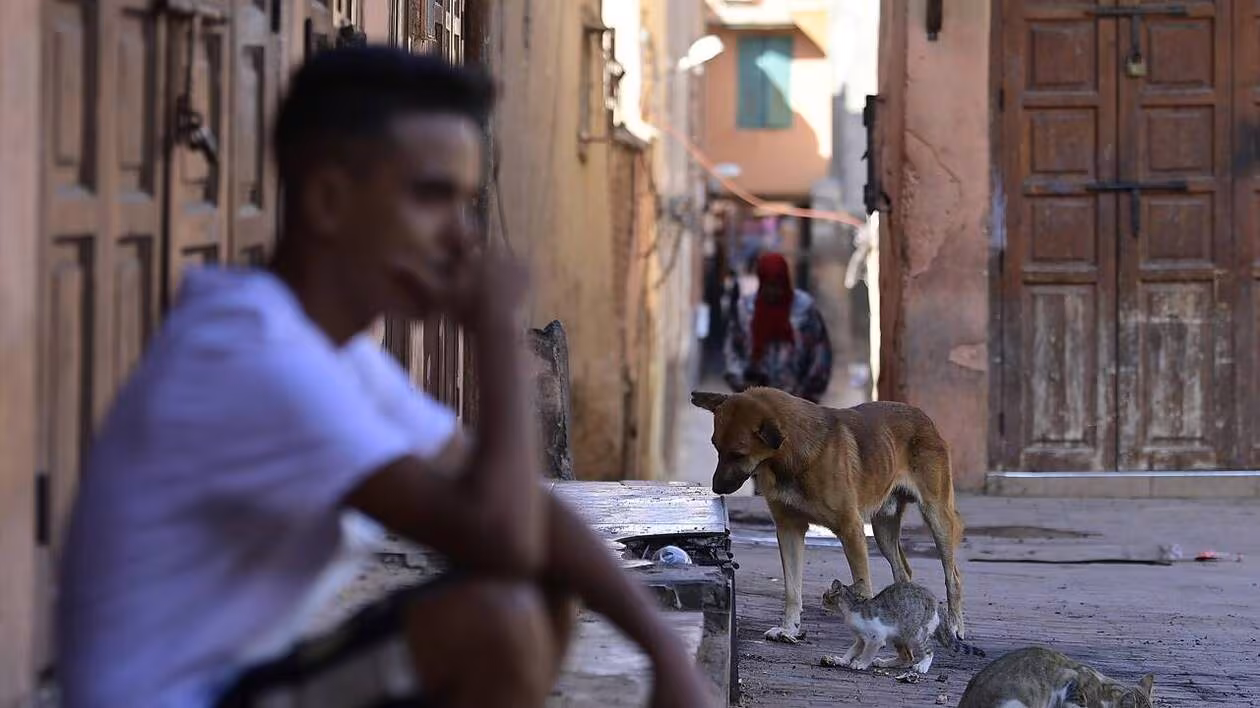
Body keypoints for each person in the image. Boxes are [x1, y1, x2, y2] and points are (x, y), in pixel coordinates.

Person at [57, 47, 714, 708]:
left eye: (466, 206)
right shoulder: (252, 355)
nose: (460, 241)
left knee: (543, 589)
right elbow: (503, 540)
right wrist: (496, 334)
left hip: (243, 687)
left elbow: (533, 518)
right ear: (329, 199)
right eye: (432, 198)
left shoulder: (331, 352)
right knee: (496, 622)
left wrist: (663, 652)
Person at [723, 251, 833, 403]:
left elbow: (820, 355)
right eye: (768, 285)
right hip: (756, 404)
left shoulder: (804, 309)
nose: (773, 292)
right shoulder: (746, 311)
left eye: (777, 285)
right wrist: (743, 385)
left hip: (799, 405)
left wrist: (806, 394)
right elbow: (733, 351)